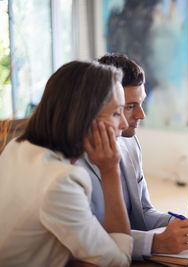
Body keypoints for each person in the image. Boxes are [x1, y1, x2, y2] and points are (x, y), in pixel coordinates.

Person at [75, 53, 188, 261]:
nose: (141, 115)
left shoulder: (130, 143)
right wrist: (155, 243)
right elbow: (91, 239)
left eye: (141, 103)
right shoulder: (72, 161)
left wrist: (177, 224)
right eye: (129, 107)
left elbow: (143, 212)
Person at [0, 61, 133, 266]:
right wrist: (110, 170)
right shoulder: (60, 181)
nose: (124, 124)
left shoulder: (16, 147)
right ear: (83, 116)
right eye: (116, 113)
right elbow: (119, 261)